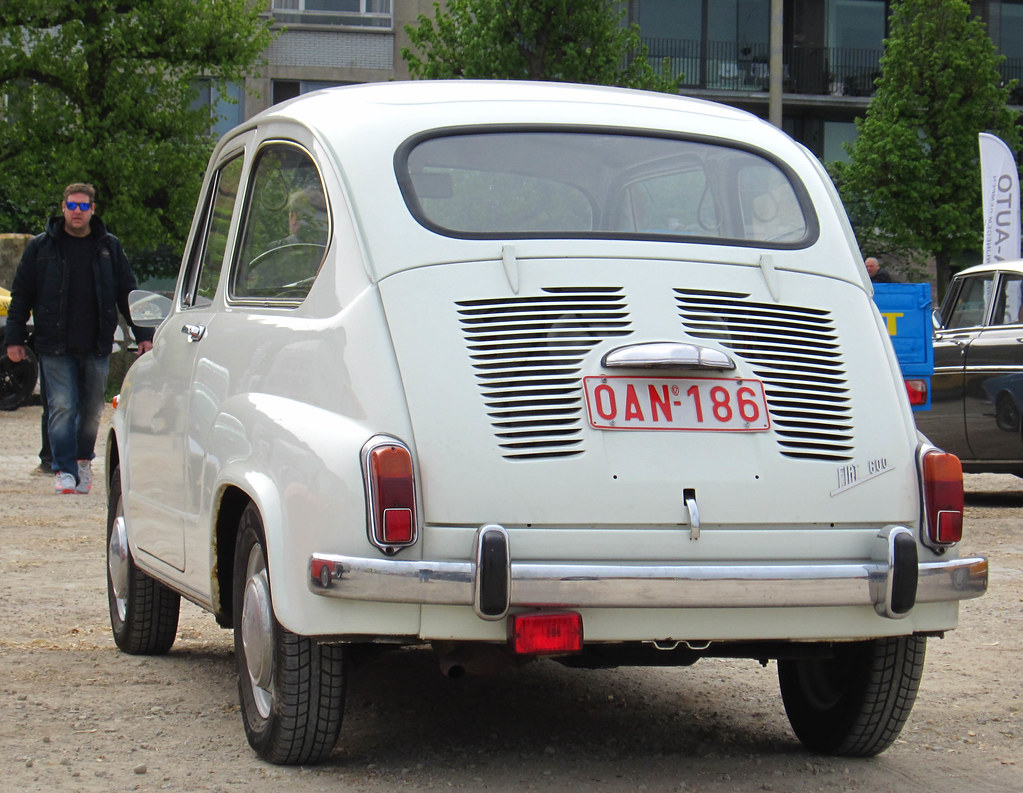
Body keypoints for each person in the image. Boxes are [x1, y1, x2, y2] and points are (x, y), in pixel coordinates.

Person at [4, 183, 154, 494]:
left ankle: (83, 460)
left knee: (91, 410)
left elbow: (128, 292)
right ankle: (64, 470)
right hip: (53, 344)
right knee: (61, 406)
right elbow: (21, 295)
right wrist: (14, 339)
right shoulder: (40, 248)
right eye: (72, 205)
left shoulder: (109, 248)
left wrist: (143, 335)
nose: (77, 212)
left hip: (96, 343)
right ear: (62, 207)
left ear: (92, 210)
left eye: (83, 206)